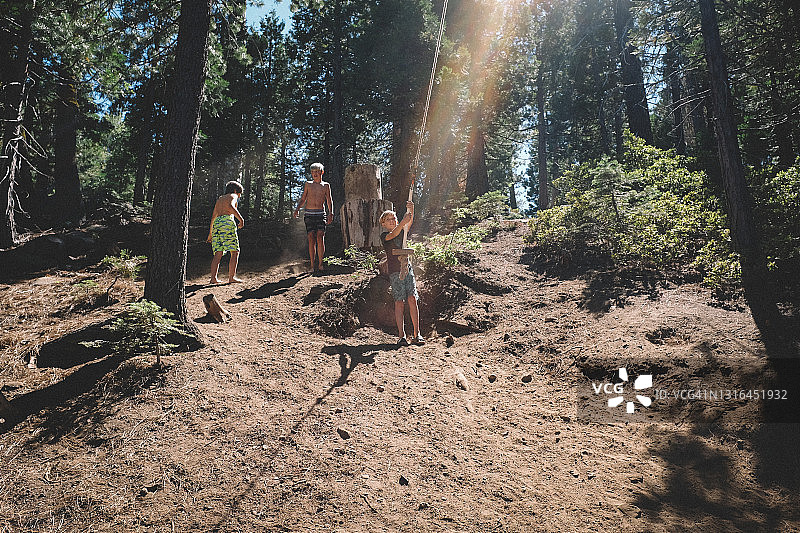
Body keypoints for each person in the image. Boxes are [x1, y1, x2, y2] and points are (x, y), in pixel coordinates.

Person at [380, 201, 424, 346]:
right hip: (395, 272)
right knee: (399, 302)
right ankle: (401, 336)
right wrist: (403, 222)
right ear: (383, 224)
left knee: (412, 298)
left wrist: (411, 209)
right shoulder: (385, 236)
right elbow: (394, 233)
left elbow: (408, 223)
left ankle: (417, 334)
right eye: (389, 219)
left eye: (394, 218)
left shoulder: (401, 231)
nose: (392, 221)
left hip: (407, 269)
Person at [293, 162, 333, 273]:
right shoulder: (308, 184)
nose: (314, 174)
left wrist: (331, 213)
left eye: (317, 171)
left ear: (322, 172)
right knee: (311, 237)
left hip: (321, 213)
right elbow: (303, 199)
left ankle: (320, 264)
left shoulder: (326, 186)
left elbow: (329, 200)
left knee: (320, 236)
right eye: (313, 172)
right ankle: (312, 265)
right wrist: (297, 209)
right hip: (309, 213)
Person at [206, 180, 245, 284]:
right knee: (235, 251)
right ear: (236, 190)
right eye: (240, 193)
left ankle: (213, 279)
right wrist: (241, 220)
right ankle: (232, 278)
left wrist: (210, 234)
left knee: (218, 253)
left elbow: (213, 216)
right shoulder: (233, 195)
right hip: (227, 222)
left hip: (217, 224)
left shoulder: (220, 199)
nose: (239, 196)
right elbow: (231, 207)